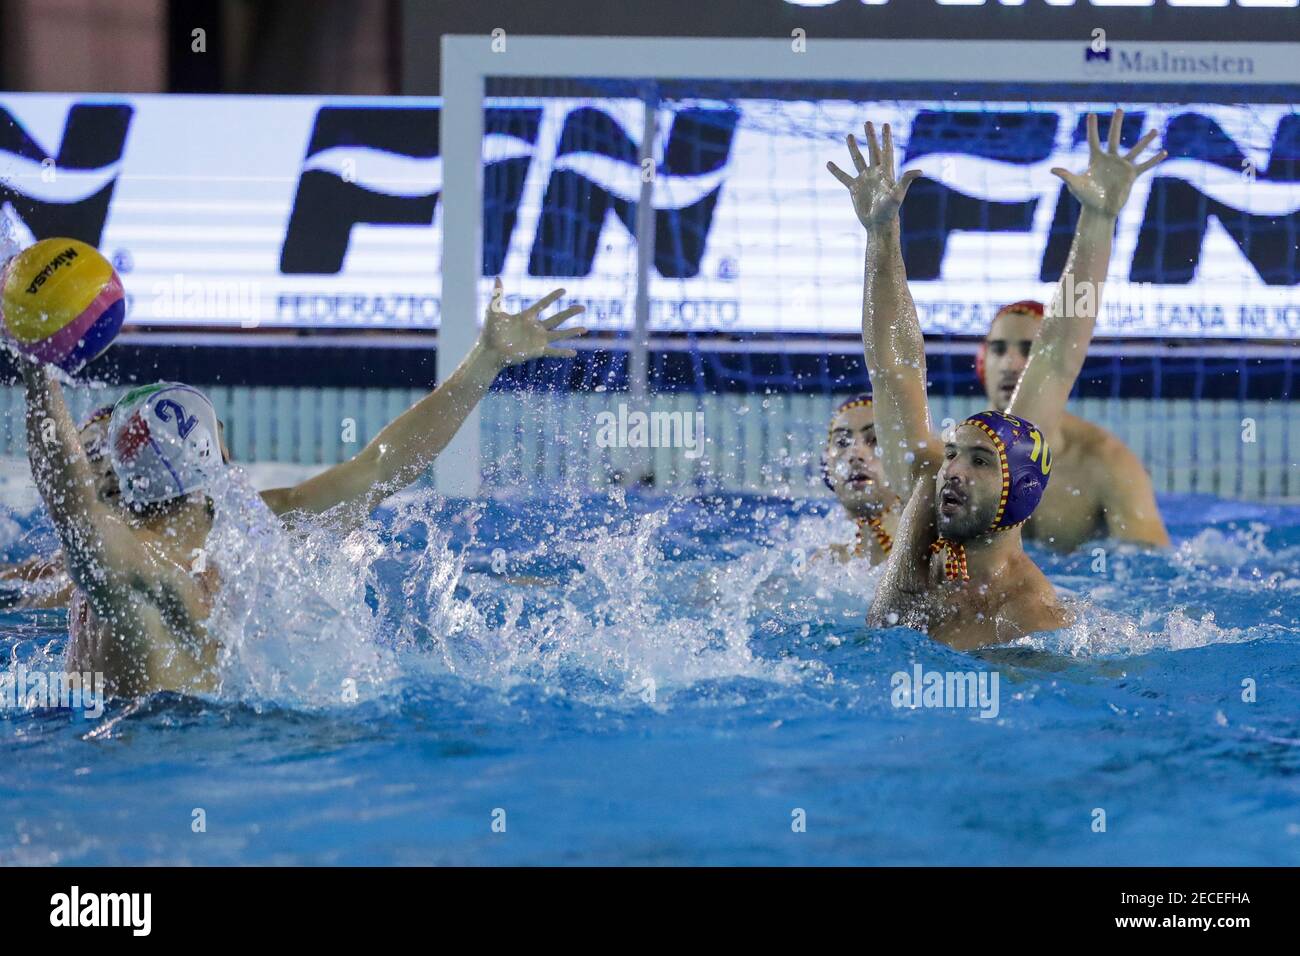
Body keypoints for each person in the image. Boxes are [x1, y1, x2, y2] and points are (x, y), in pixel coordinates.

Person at [16, 281, 586, 695]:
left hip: (132, 760)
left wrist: (35, 365)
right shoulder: (249, 531)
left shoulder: (128, 562)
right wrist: (485, 361)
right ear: (216, 466)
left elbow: (71, 503)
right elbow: (382, 468)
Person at [827, 110, 1166, 648]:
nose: (950, 468)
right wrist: (880, 235)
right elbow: (894, 369)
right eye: (955, 451)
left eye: (977, 460)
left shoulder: (1035, 623)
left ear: (1017, 492)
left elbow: (1058, 354)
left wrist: (1098, 219)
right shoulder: (931, 480)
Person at [977, 300, 1169, 551]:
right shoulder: (956, 458)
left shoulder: (1108, 463)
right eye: (998, 350)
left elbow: (1152, 572)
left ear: (1056, 367)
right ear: (982, 362)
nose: (1009, 365)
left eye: (1029, 350)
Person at [820, 393, 900, 565]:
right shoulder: (821, 563)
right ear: (827, 467)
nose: (855, 454)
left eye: (875, 439)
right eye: (842, 442)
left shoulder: (937, 552)